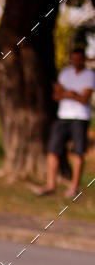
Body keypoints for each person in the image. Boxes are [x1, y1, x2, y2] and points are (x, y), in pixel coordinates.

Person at [37, 42, 95, 199]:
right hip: (63, 116)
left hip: (80, 118)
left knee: (78, 152)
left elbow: (84, 98)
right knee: (53, 150)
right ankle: (50, 185)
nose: (76, 62)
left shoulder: (89, 75)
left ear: (84, 60)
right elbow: (56, 96)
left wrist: (69, 93)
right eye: (74, 59)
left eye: (79, 59)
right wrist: (71, 94)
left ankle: (74, 187)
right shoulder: (65, 73)